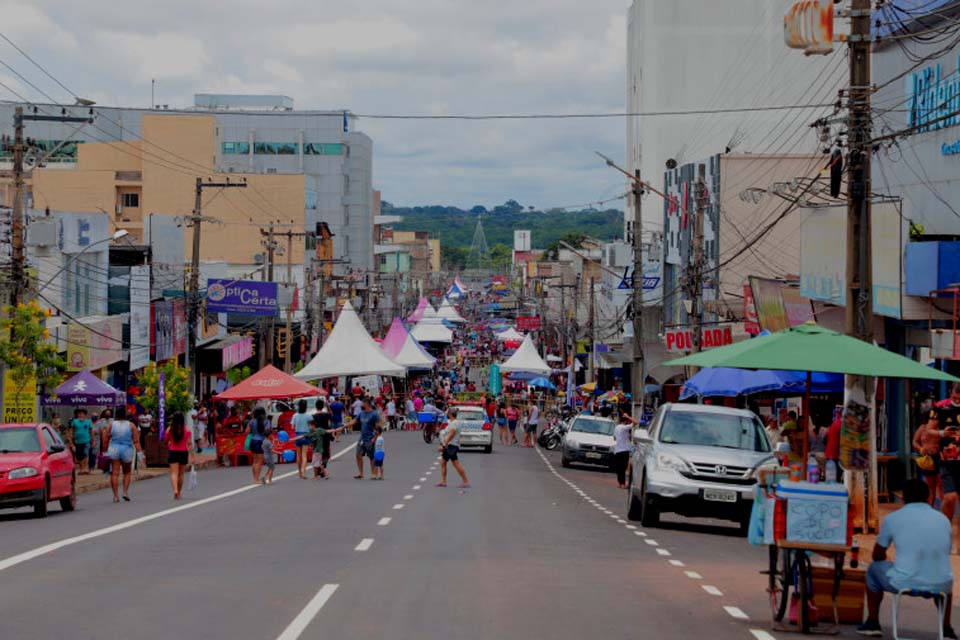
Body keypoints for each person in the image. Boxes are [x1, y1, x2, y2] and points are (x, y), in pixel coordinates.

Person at [856, 479, 954, 637]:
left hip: (904, 581)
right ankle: (947, 629)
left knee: (873, 570)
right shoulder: (943, 520)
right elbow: (944, 551)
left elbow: (877, 555)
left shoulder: (893, 519)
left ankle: (872, 622)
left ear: (903, 498)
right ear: (929, 497)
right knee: (944, 578)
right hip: (940, 583)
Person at [930, 383, 960, 542]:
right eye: (955, 398)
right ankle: (943, 534)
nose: (958, 401)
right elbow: (929, 430)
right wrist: (942, 433)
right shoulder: (940, 408)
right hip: (947, 459)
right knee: (950, 497)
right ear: (950, 393)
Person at [102, 406, 143, 503]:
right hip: (127, 449)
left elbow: (105, 440)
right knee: (127, 472)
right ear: (125, 415)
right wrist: (140, 454)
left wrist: (104, 452)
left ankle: (115, 496)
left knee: (115, 473)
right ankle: (125, 492)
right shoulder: (131, 425)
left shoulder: (111, 425)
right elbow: (136, 441)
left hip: (114, 449)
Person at [914, 412, 942, 505]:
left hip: (940, 457)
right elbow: (915, 441)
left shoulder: (941, 428)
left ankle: (944, 514)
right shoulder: (922, 428)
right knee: (929, 488)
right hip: (927, 458)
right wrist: (921, 449)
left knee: (941, 486)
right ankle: (930, 511)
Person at [437, 407, 469, 488]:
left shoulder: (454, 423)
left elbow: (451, 435)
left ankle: (466, 481)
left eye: (448, 413)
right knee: (443, 463)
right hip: (449, 445)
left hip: (451, 445)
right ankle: (443, 481)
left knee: (456, 464)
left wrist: (444, 445)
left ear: (450, 414)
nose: (447, 414)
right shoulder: (452, 422)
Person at [164, 411, 192, 499]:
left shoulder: (170, 429)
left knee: (174, 473)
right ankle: (179, 493)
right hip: (183, 452)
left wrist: (169, 442)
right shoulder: (186, 430)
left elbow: (165, 441)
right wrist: (193, 456)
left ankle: (175, 490)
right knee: (181, 474)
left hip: (173, 451)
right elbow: (189, 444)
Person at [350, 399, 380, 479]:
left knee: (372, 457)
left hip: (370, 437)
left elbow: (378, 427)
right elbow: (354, 421)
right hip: (362, 437)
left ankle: (374, 474)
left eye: (363, 403)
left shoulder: (374, 414)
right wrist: (344, 426)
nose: (361, 404)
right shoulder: (361, 413)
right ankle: (361, 473)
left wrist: (375, 438)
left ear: (367, 404)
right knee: (358, 454)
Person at [246, 407, 270, 486]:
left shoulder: (252, 421)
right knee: (259, 462)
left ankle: (255, 478)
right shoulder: (266, 421)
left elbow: (247, 431)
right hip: (261, 442)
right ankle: (256, 479)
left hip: (253, 441)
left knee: (255, 461)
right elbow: (267, 432)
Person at [614, 413, 637, 489]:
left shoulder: (617, 427)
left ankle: (619, 483)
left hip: (617, 450)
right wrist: (628, 416)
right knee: (623, 468)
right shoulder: (624, 427)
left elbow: (614, 438)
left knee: (619, 468)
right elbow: (635, 422)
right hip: (624, 450)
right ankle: (623, 484)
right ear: (626, 421)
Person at [291, 399, 313, 480]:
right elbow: (311, 427)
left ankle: (300, 472)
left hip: (297, 435)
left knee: (298, 455)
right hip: (306, 435)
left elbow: (292, 427)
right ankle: (304, 471)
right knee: (304, 455)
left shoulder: (295, 415)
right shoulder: (309, 415)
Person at [69, 408, 94, 475]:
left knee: (86, 454)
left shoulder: (88, 421)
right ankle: (81, 468)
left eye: (82, 414)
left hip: (86, 441)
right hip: (77, 441)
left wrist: (93, 440)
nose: (80, 415)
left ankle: (84, 468)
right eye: (79, 414)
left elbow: (91, 431)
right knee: (79, 456)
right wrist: (71, 441)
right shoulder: (74, 421)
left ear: (85, 415)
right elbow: (71, 431)